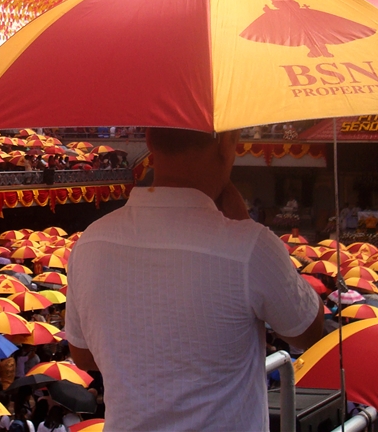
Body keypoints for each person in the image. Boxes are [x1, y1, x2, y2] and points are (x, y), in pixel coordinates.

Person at [66, 128, 324, 431]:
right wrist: (244, 224)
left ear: (149, 140)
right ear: (227, 142)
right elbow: (308, 331)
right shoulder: (249, 247)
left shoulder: (90, 243)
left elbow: (83, 355)